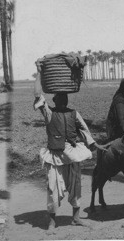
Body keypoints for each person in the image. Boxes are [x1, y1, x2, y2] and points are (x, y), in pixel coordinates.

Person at [34, 92, 101, 230]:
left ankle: (76, 219)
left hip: (72, 154)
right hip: (55, 156)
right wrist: (39, 74)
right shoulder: (49, 113)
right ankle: (52, 221)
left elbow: (83, 129)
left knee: (76, 186)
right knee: (53, 187)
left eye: (65, 97)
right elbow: (39, 100)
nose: (63, 100)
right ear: (55, 100)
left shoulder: (74, 113)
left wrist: (92, 143)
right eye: (59, 98)